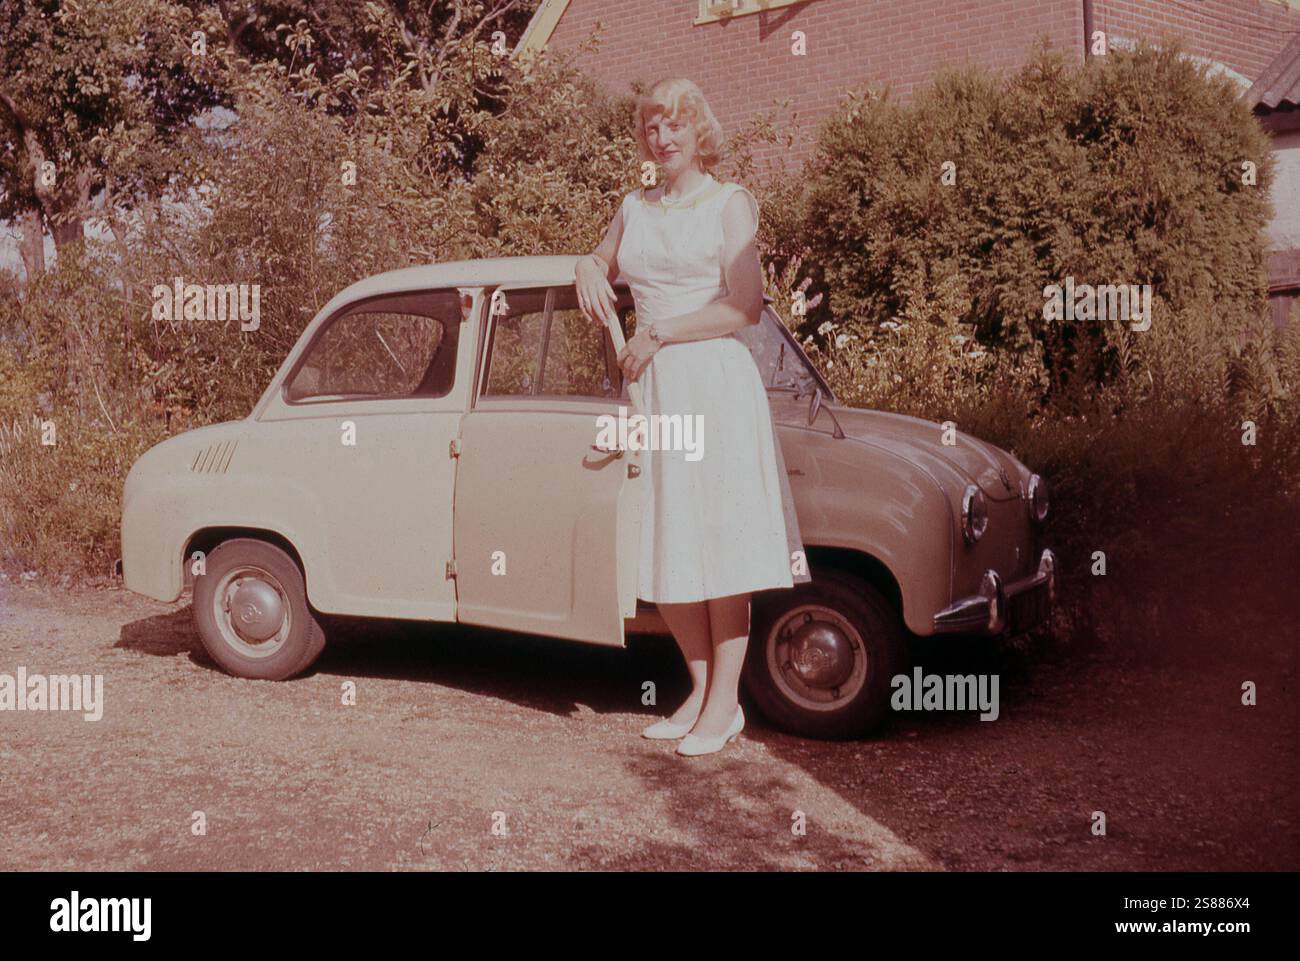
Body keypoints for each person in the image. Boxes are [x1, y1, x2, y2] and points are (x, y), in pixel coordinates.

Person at [574, 78, 805, 757]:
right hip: (652, 389)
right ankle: (701, 692)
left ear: (698, 132)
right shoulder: (633, 208)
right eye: (651, 127)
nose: (663, 138)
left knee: (718, 543)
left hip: (711, 384)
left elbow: (745, 306)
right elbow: (602, 259)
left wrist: (661, 332)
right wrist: (587, 265)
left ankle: (726, 702)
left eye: (675, 125)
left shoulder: (729, 205)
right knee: (661, 536)